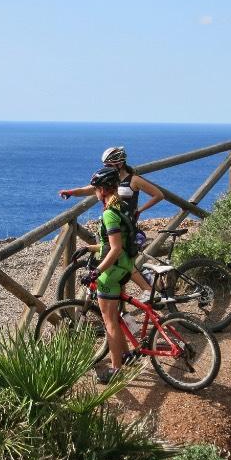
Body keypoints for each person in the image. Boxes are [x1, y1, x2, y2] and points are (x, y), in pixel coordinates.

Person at [58, 146, 164, 299]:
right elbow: (88, 189)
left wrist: (140, 210)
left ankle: (148, 290)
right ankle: (125, 309)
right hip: (112, 226)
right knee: (120, 267)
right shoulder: (108, 180)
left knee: (123, 262)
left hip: (127, 228)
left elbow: (158, 195)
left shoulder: (134, 180)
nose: (105, 167)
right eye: (105, 165)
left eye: (108, 165)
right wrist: (70, 193)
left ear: (119, 163)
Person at [85, 167, 137, 384]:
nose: (95, 192)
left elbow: (114, 248)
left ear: (103, 189)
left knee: (110, 323)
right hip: (125, 266)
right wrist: (90, 249)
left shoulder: (108, 213)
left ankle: (116, 371)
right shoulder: (122, 206)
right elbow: (112, 243)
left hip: (112, 271)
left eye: (96, 188)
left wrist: (97, 271)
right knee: (114, 316)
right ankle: (126, 355)